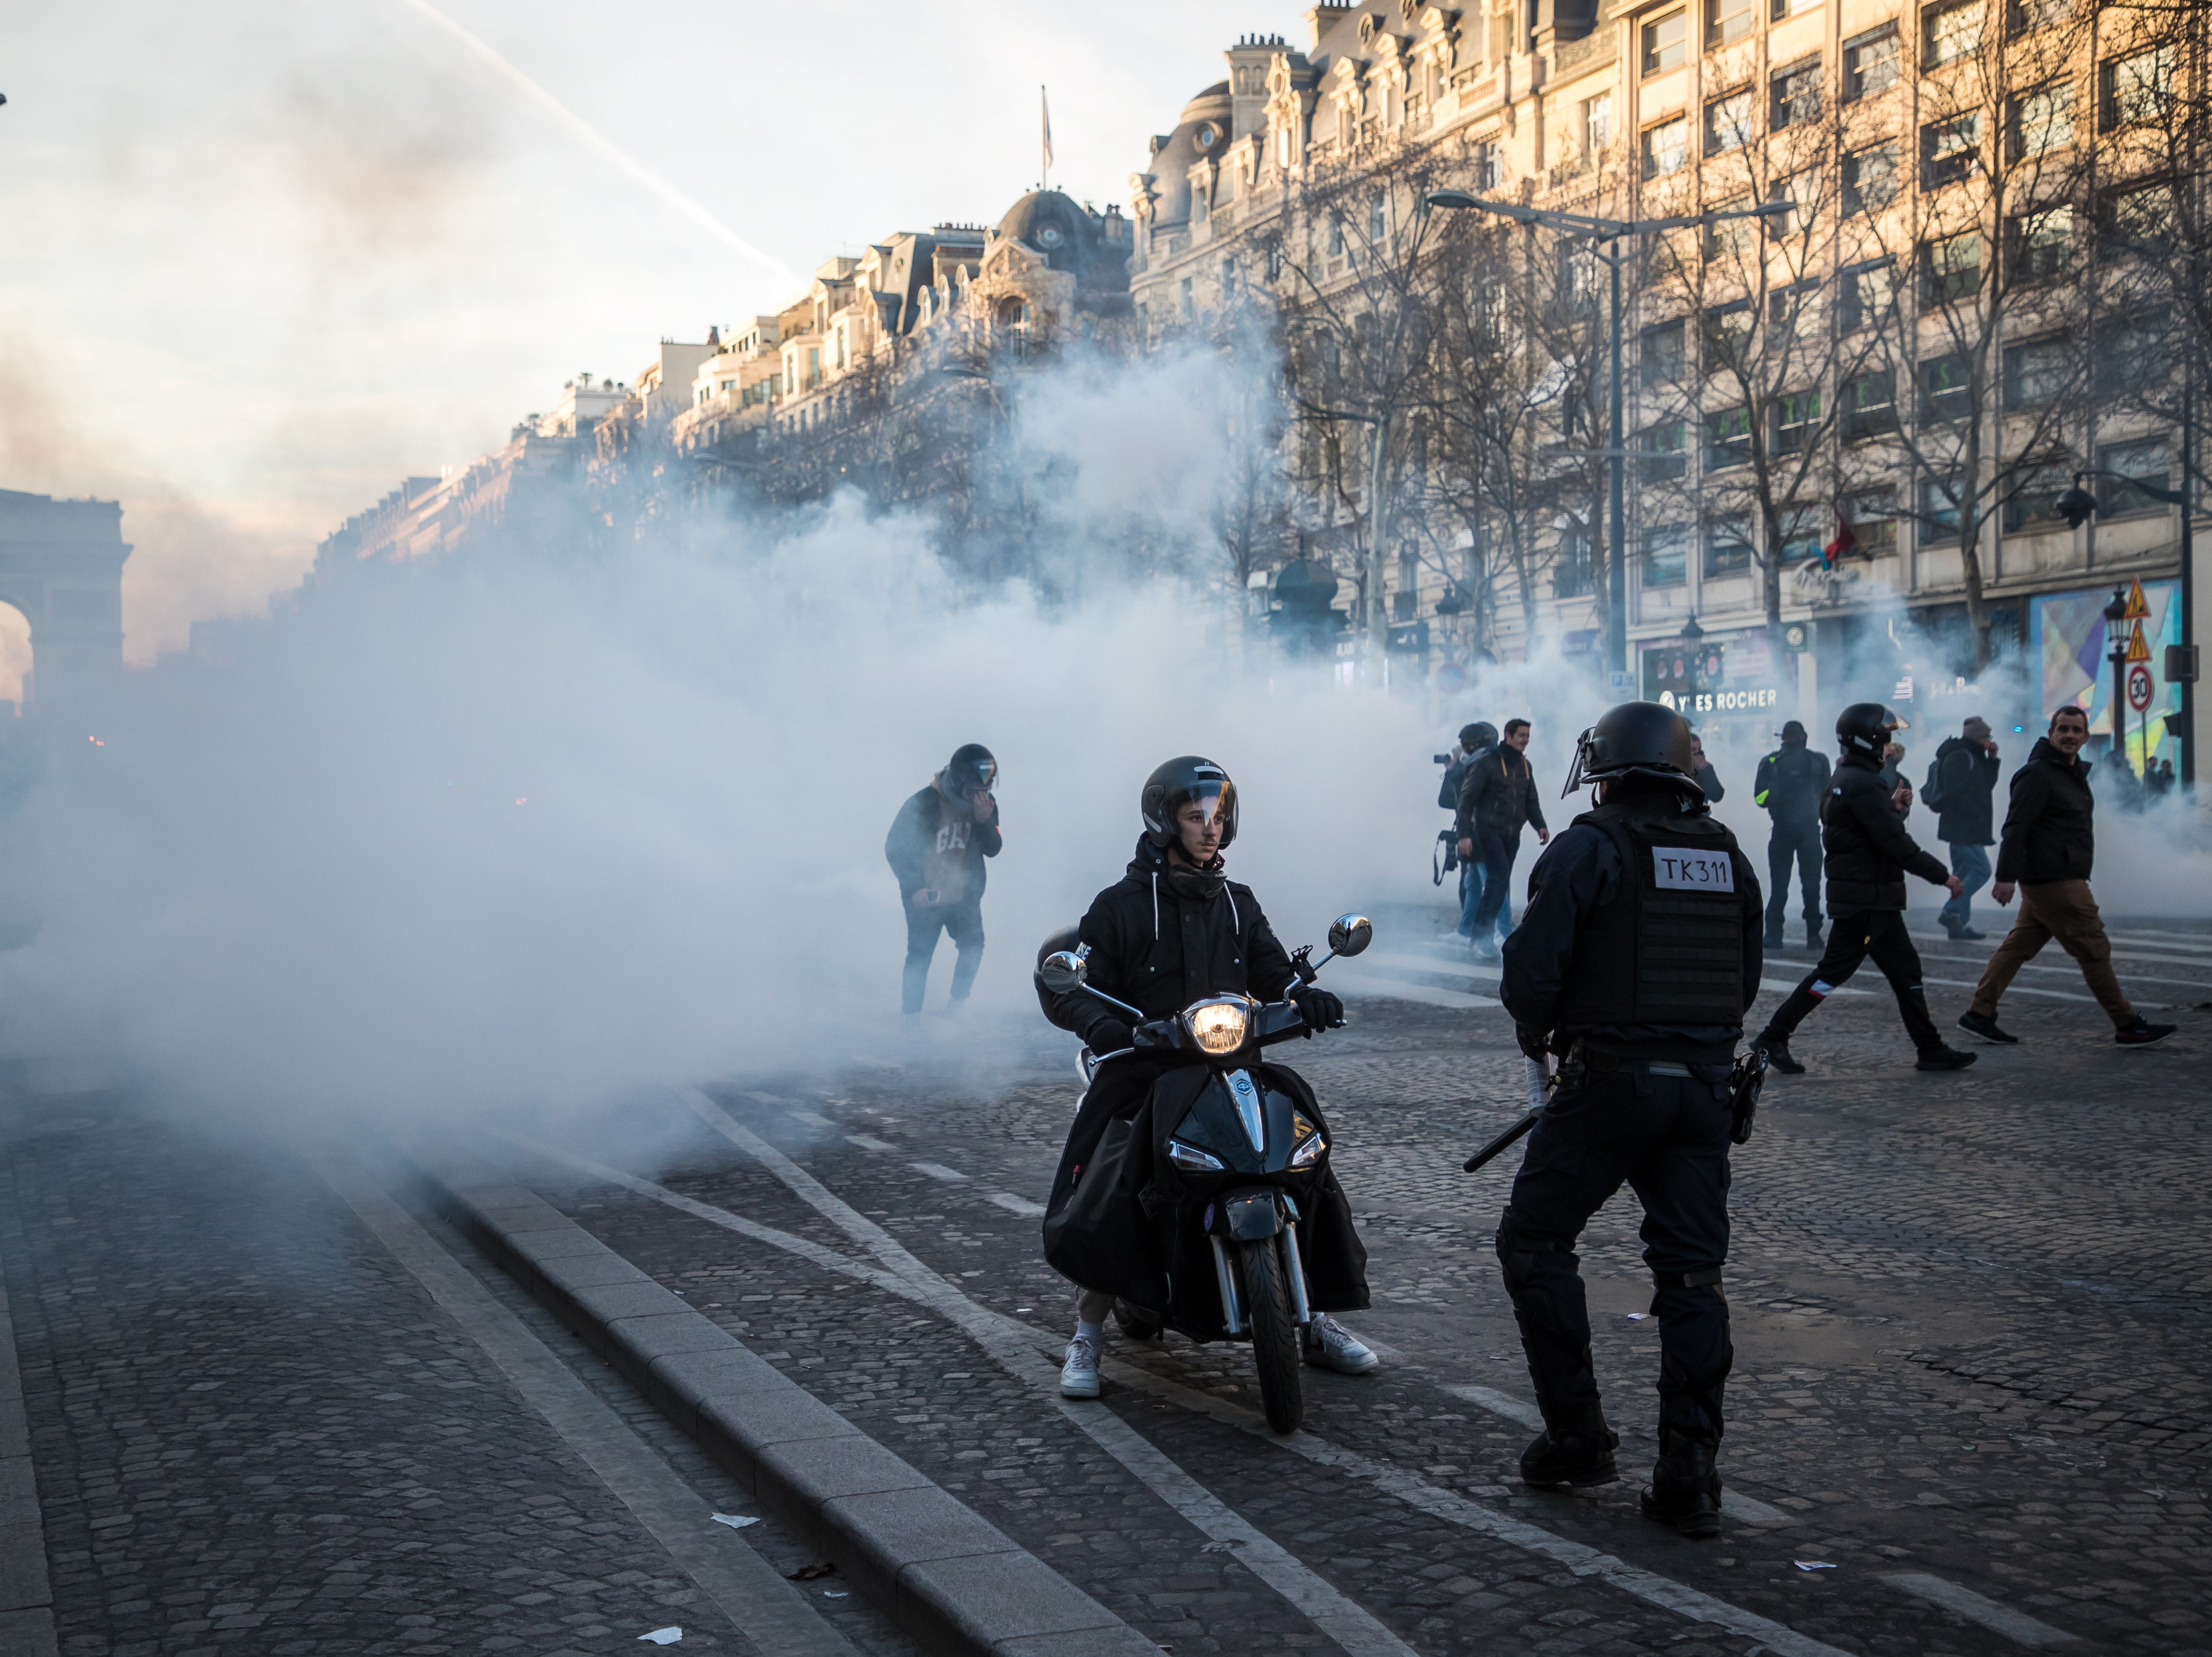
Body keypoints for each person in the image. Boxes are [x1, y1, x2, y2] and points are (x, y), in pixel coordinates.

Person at [1495, 701, 1763, 1539]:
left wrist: (1545, 1029)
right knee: (1691, 1277)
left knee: (1533, 1241)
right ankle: (1689, 1473)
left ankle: (1576, 1436)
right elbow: (1743, 979)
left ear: (1607, 768)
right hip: (1703, 1092)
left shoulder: (1588, 845)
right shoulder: (1724, 853)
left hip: (1609, 1084)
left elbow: (1529, 973)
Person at [1038, 756, 1380, 1399]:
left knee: (1304, 1149)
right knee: (1118, 1177)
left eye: (1218, 817)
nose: (1209, 829)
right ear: (1165, 820)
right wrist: (1104, 1026)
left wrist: (1302, 996)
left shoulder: (1237, 900)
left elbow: (1272, 970)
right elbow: (1072, 984)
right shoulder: (1119, 906)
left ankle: (1315, 1314)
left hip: (1229, 1063)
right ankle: (1087, 1329)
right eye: (1196, 816)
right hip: (1149, 1071)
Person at [1753, 706, 1976, 1075]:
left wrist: (1891, 807)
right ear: (1867, 739)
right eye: (1885, 737)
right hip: (1866, 898)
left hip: (1871, 898)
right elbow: (1894, 842)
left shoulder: (1846, 777)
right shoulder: (1864, 782)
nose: (1889, 745)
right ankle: (1774, 1036)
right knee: (1830, 975)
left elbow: (1859, 823)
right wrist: (1945, 878)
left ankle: (1931, 1048)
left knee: (1906, 971)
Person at [1958, 706, 2178, 1049]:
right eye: (2063, 729)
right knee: (2094, 948)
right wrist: (2005, 877)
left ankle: (1979, 1013)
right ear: (2051, 732)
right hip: (2055, 878)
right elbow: (2016, 827)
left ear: (2087, 737)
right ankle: (2127, 1024)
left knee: (2019, 947)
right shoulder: (2038, 774)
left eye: (2077, 730)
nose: (2070, 735)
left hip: (2054, 874)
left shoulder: (2069, 773)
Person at [884, 743, 1002, 1016]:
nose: (978, 797)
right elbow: (896, 847)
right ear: (958, 781)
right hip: (926, 895)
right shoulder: (924, 802)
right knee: (920, 956)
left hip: (963, 894)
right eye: (972, 792)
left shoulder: (985, 805)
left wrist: (984, 821)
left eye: (984, 791)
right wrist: (915, 888)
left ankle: (957, 1006)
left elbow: (993, 849)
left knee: (973, 947)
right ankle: (912, 1017)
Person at [1457, 718, 1551, 961]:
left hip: (1513, 835)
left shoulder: (1525, 766)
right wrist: (1464, 835)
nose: (1525, 740)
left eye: (1528, 736)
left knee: (1500, 884)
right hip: (1488, 833)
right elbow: (1466, 801)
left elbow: (1531, 801)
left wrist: (1540, 825)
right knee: (1498, 881)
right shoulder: (1488, 763)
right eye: (1521, 735)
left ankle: (1481, 938)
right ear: (1508, 736)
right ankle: (1482, 938)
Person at [1752, 720, 1830, 951]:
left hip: (1782, 831)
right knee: (1811, 885)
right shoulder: (1818, 761)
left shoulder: (1771, 762)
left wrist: (1773, 797)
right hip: (1809, 831)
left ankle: (1774, 936)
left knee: (1779, 885)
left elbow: (1759, 798)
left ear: (1783, 738)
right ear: (1804, 736)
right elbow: (1828, 796)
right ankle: (1813, 936)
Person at [1930, 716, 2001, 940]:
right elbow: (1954, 793)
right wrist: (1975, 814)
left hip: (1969, 826)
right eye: (1988, 737)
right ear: (1979, 738)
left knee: (1962, 875)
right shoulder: (1961, 756)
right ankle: (1951, 911)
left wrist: (1992, 759)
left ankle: (1958, 924)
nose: (1990, 741)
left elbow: (1986, 786)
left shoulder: (1974, 756)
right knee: (1981, 871)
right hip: (1963, 827)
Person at [1444, 723, 1499, 941]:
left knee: (1492, 883)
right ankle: (1468, 931)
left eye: (1468, 745)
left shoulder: (1487, 765)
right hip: (1472, 831)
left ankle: (1498, 931)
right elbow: (1450, 801)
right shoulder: (1471, 765)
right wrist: (1453, 770)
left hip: (1484, 832)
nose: (1464, 749)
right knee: (1470, 883)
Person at [1689, 734, 1724, 803]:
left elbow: (1717, 796)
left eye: (1699, 749)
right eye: (1693, 749)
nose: (1697, 753)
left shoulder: (1705, 768)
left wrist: (1706, 770)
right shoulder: (1672, 768)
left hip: (1698, 812)